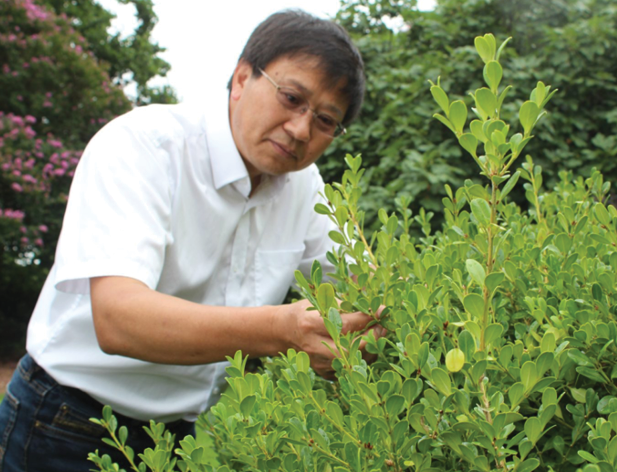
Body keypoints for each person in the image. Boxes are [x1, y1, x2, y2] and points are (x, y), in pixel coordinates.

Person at [0, 9, 375, 472]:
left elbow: (361, 289)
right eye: (291, 97)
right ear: (241, 78)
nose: (300, 129)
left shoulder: (306, 188)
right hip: (68, 423)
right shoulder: (142, 145)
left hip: (183, 440)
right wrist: (283, 331)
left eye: (324, 121)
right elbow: (118, 319)